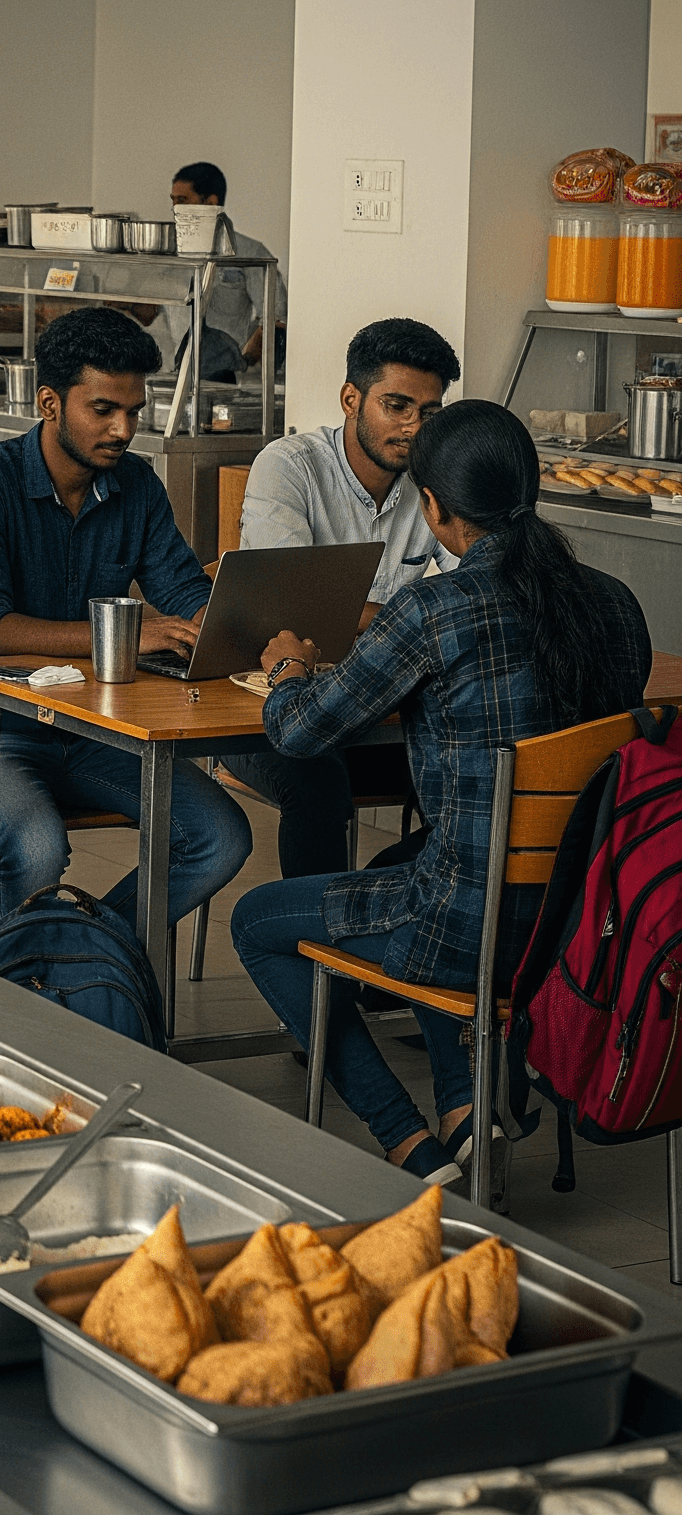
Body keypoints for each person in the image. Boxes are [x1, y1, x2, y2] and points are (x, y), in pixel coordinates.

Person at [232, 400, 651, 1185]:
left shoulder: (435, 608)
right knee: (424, 856)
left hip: (470, 930)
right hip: (583, 927)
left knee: (260, 921)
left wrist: (289, 666)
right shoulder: (615, 607)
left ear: (433, 508)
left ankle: (406, 1142)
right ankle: (469, 1111)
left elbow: (298, 733)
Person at [0, 306, 252, 933]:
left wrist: (226, 623)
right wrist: (131, 634)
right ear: (48, 402)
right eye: (103, 410)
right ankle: (21, 1001)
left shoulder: (136, 485)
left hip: (90, 727)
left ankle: (82, 960)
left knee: (220, 838)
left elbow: (179, 584)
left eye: (135, 411)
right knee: (35, 847)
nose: (123, 429)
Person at [220, 317, 464, 877]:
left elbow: (470, 591)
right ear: (351, 398)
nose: (413, 428)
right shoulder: (288, 466)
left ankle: (408, 921)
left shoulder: (434, 479)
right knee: (318, 780)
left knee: (470, 767)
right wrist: (412, 621)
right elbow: (290, 609)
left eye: (430, 413)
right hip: (265, 703)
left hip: (378, 701)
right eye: (397, 406)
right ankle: (318, 950)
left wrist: (378, 622)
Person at [132, 161, 287, 381]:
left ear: (211, 203)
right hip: (179, 375)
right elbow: (149, 315)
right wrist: (123, 300)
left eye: (183, 200)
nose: (175, 209)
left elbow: (276, 319)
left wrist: (242, 362)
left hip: (227, 380)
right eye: (173, 201)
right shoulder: (168, 250)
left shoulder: (249, 252)